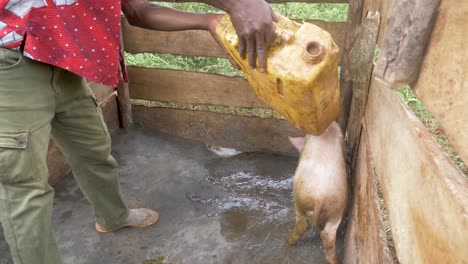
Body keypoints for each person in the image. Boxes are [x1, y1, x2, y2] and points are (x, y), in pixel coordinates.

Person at [0, 0, 277, 263]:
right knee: (25, 188)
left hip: (61, 57)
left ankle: (113, 216)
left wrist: (211, 21)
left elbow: (138, 10)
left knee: (93, 147)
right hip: (12, 59)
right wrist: (235, 3)